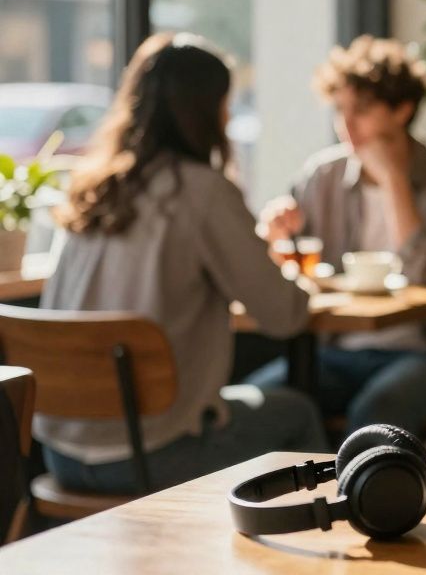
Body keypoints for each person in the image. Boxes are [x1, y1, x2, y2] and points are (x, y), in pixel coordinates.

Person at [38, 33, 326, 494]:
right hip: (151, 454)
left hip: (58, 454)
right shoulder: (201, 191)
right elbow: (285, 314)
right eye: (225, 104)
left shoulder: (92, 189)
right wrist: (298, 277)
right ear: (207, 109)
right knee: (298, 413)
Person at [249, 35, 426, 438]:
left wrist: (393, 179)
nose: (346, 125)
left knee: (377, 411)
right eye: (340, 110)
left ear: (402, 109)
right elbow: (278, 262)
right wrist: (272, 232)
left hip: (425, 353)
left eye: (363, 110)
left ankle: (358, 498)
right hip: (335, 349)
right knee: (260, 403)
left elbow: (422, 269)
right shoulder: (324, 176)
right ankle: (316, 496)